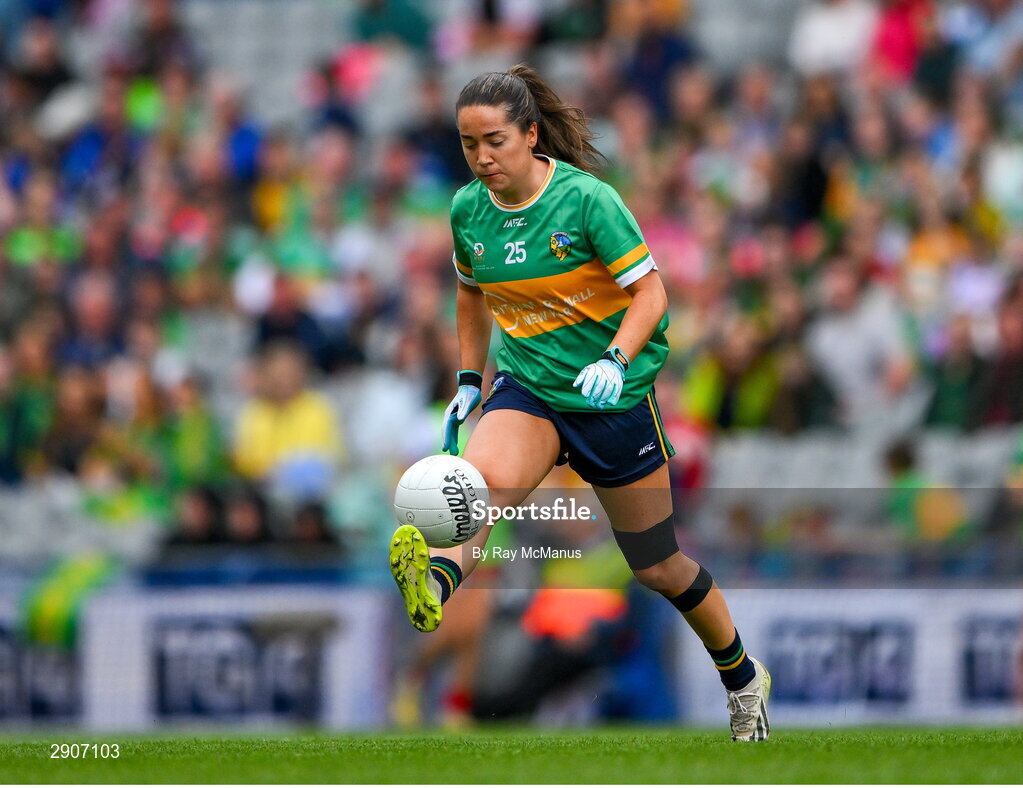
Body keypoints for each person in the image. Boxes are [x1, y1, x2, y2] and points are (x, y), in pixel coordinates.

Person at [388, 65, 771, 741]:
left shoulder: (589, 202)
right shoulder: (465, 211)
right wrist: (470, 382)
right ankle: (435, 586)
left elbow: (650, 295)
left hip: (611, 398)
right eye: (468, 142)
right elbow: (471, 294)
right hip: (529, 387)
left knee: (657, 566)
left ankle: (742, 678)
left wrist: (615, 358)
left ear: (531, 135)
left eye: (494, 141)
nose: (481, 157)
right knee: (477, 494)